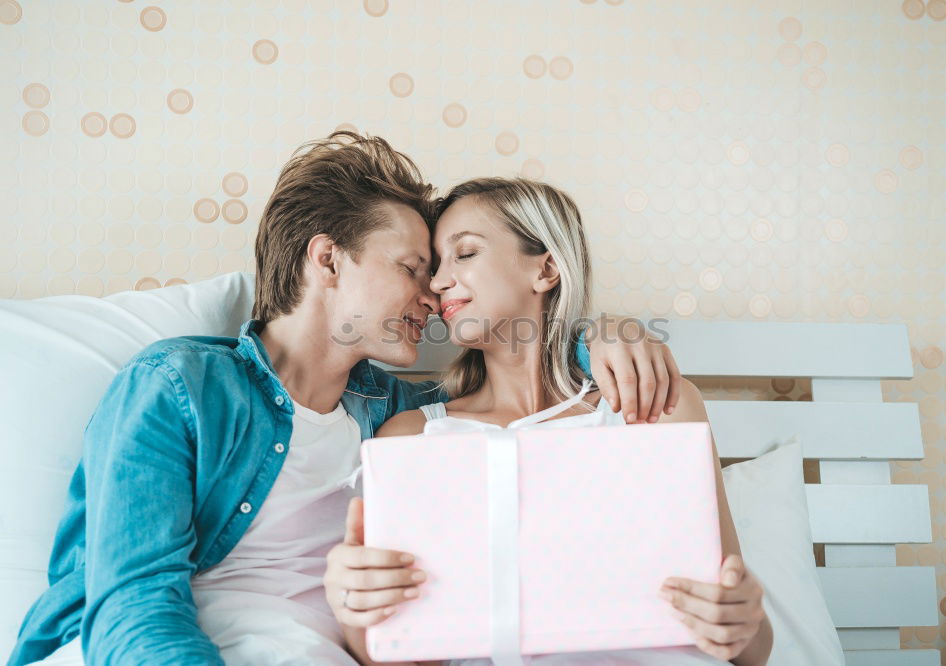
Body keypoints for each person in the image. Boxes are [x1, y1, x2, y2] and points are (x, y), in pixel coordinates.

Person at [9, 133, 684, 666]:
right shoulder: (179, 387)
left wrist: (597, 338)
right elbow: (131, 606)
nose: (435, 295)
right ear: (327, 260)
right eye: (415, 268)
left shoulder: (395, 415)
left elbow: (516, 391)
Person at [325, 178, 774, 666]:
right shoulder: (413, 436)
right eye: (435, 267)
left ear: (547, 268)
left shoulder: (655, 406)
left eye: (466, 253)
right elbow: (397, 652)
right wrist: (353, 609)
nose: (436, 283)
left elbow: (752, 648)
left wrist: (739, 619)